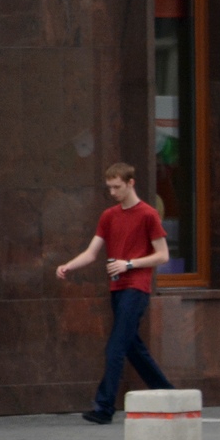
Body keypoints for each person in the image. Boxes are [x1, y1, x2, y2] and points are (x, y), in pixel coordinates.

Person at [57, 163, 174, 424]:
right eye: (109, 187)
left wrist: (129, 264)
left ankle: (104, 407)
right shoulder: (109, 216)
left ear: (131, 183)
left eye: (117, 187)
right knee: (132, 347)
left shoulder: (148, 214)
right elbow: (91, 252)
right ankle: (168, 395)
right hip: (118, 288)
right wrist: (68, 266)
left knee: (116, 346)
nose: (113, 192)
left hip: (137, 288)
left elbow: (163, 255)